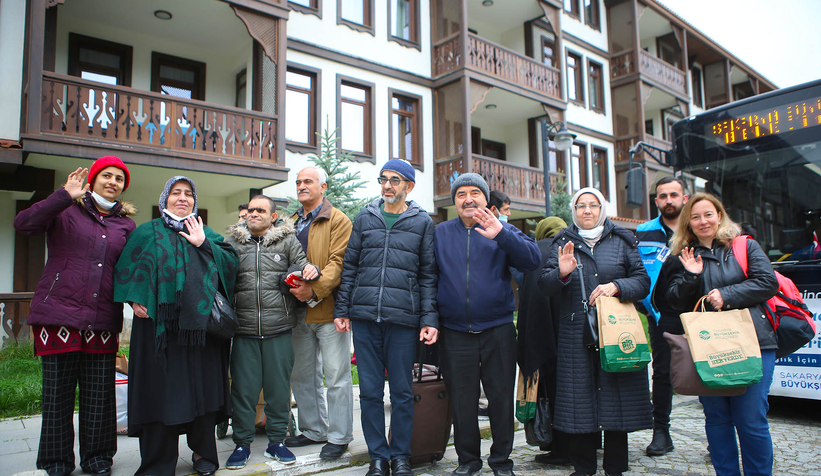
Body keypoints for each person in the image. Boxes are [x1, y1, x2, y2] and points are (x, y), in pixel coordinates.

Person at [14, 157, 136, 476]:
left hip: (103, 319)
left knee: (99, 396)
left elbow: (131, 270)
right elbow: (24, 224)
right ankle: (56, 461)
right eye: (106, 175)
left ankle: (97, 458)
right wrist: (63, 195)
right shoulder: (65, 210)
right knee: (58, 395)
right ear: (92, 180)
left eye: (119, 178)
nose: (112, 181)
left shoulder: (125, 224)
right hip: (58, 316)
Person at [114, 176, 238, 476]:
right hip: (158, 333)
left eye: (188, 194)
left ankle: (204, 456)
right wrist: (134, 299)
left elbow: (232, 265)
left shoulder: (203, 231)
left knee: (202, 393)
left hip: (199, 334)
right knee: (159, 395)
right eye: (175, 193)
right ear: (164, 198)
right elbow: (126, 271)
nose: (182, 198)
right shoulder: (147, 232)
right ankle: (158, 463)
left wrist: (204, 244)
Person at [334, 159, 439, 476]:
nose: (388, 185)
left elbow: (428, 275)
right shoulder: (364, 218)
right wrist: (342, 309)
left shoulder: (422, 223)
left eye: (395, 180)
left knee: (403, 393)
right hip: (365, 318)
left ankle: (401, 457)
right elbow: (349, 267)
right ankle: (378, 458)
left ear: (409, 186)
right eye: (384, 179)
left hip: (403, 320)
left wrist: (428, 318)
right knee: (368, 392)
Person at [537, 187, 651, 476]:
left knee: (617, 398)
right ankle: (584, 467)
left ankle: (615, 467)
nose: (587, 211)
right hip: (576, 332)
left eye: (593, 205)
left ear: (602, 209)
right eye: (580, 206)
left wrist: (617, 287)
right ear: (573, 212)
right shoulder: (562, 241)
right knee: (579, 401)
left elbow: (642, 281)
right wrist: (561, 272)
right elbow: (545, 285)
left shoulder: (623, 239)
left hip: (617, 330)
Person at [434, 173, 541, 476]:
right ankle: (468, 462)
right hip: (455, 333)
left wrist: (501, 233)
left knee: (500, 400)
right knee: (463, 403)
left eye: (474, 193)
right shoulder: (440, 233)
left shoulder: (502, 229)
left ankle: (501, 462)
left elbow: (532, 261)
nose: (468, 199)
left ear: (485, 198)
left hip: (498, 330)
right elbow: (428, 279)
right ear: (454, 202)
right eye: (461, 194)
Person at [666, 193, 778, 476]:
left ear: (719, 215)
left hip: (753, 343)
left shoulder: (744, 246)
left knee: (751, 420)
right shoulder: (683, 256)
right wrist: (692, 277)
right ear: (687, 223)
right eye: (695, 217)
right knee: (717, 420)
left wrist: (726, 295)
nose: (703, 221)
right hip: (708, 348)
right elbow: (672, 303)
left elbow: (768, 282)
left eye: (708, 214)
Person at [224, 195, 320, 469]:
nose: (253, 213)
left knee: (278, 391)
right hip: (243, 330)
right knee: (243, 391)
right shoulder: (232, 243)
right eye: (250, 210)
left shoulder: (287, 242)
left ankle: (276, 442)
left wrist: (304, 270)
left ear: (273, 216)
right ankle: (242, 444)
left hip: (278, 328)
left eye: (260, 210)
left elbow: (301, 265)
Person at [285, 166, 354, 460]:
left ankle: (339, 436)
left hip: (329, 310)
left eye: (308, 181)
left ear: (323, 187)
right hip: (296, 311)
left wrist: (313, 290)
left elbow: (339, 263)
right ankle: (314, 430)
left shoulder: (338, 219)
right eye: (298, 182)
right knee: (302, 375)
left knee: (337, 375)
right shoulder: (289, 222)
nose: (301, 186)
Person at [635, 176, 689, 456]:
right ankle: (661, 432)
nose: (669, 200)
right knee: (663, 372)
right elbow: (636, 271)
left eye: (674, 195)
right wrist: (646, 307)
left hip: (699, 314)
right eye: (663, 196)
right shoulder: (643, 232)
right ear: (656, 201)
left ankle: (718, 433)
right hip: (660, 316)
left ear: (685, 199)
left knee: (710, 370)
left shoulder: (697, 227)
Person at [515, 217, 571, 467]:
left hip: (542, 334)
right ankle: (580, 445)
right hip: (571, 334)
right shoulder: (571, 248)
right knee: (574, 392)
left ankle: (556, 446)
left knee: (550, 391)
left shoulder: (535, 251)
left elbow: (529, 297)